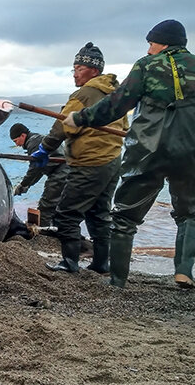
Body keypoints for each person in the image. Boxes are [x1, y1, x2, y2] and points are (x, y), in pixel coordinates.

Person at [64, 20, 195, 288]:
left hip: (147, 152)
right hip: (193, 152)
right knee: (190, 213)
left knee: (125, 216)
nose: (149, 49)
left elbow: (117, 105)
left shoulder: (146, 66)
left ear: (163, 43)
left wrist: (80, 118)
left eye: (151, 43)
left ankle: (117, 280)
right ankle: (184, 271)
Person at [32, 43, 127, 275]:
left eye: (80, 67)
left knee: (66, 213)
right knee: (99, 213)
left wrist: (44, 149)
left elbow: (63, 126)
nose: (74, 72)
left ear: (94, 71)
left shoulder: (84, 94)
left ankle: (70, 263)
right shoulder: (116, 94)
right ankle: (101, 263)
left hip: (90, 163)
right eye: (74, 67)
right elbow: (124, 126)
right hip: (113, 161)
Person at [10, 123, 68, 227]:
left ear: (23, 135)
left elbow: (35, 169)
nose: (17, 145)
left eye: (16, 141)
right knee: (58, 206)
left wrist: (23, 184)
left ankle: (44, 234)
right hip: (65, 171)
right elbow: (40, 169)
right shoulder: (37, 139)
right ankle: (57, 228)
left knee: (46, 206)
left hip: (60, 173)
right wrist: (27, 185)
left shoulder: (33, 143)